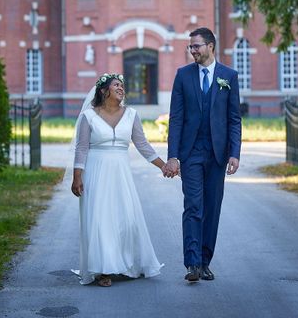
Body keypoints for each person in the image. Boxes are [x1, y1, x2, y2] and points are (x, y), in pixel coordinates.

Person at [71, 73, 166, 287]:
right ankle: (103, 270)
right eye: (116, 85)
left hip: (121, 174)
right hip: (96, 171)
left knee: (125, 218)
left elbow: (143, 145)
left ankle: (126, 263)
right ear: (104, 91)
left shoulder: (131, 114)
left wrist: (164, 165)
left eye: (122, 85)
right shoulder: (89, 116)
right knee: (100, 220)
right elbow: (82, 148)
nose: (121, 88)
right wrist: (77, 176)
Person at [163, 27, 242, 282]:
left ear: (210, 46)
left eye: (196, 46)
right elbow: (176, 118)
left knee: (212, 208)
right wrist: (173, 155)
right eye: (190, 47)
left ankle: (205, 261)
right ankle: (192, 264)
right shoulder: (183, 75)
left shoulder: (229, 76)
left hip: (218, 155)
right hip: (191, 153)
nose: (192, 50)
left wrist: (234, 153)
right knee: (193, 206)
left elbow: (234, 119)